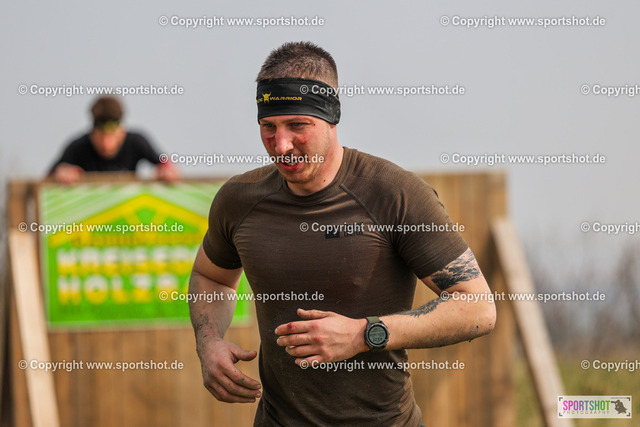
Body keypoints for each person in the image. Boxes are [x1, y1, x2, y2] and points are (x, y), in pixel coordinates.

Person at [189, 42, 496, 426]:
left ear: (331, 116)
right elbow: (212, 277)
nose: (281, 145)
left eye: (297, 125)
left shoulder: (394, 194)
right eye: (268, 127)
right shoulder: (238, 199)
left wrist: (364, 334)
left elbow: (477, 307)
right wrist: (209, 342)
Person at [49, 96, 178, 184]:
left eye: (112, 136)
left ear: (122, 132)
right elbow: (47, 179)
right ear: (92, 133)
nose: (106, 144)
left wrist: (166, 170)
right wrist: (61, 173)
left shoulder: (137, 142)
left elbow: (166, 163)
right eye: (100, 137)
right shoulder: (78, 147)